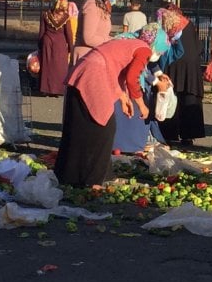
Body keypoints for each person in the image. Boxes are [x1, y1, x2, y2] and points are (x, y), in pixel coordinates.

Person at [54, 37, 170, 187]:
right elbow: (132, 78)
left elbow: (116, 69)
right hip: (94, 74)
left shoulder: (131, 43)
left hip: (86, 69)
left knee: (79, 126)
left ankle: (69, 175)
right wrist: (142, 105)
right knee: (103, 128)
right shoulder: (144, 50)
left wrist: (123, 98)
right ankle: (93, 180)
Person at [112, 23, 172, 153]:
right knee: (132, 113)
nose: (159, 54)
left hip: (123, 84)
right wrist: (156, 82)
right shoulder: (139, 47)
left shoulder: (139, 41)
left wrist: (159, 74)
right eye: (159, 51)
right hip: (120, 85)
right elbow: (137, 73)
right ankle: (129, 144)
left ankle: (131, 143)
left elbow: (151, 63)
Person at [157, 4, 206, 146]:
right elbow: (198, 46)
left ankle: (169, 133)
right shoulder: (187, 23)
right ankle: (188, 135)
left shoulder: (167, 24)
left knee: (172, 96)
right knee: (189, 97)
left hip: (174, 62)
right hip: (191, 65)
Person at [72, 0, 120, 65]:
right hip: (87, 59)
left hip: (95, 57)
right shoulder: (92, 5)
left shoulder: (100, 6)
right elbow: (89, 38)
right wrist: (112, 41)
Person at [37, 0, 73, 96]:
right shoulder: (66, 17)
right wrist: (71, 48)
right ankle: (58, 90)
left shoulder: (46, 15)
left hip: (47, 42)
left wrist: (40, 46)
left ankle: (45, 89)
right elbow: (68, 34)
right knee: (59, 67)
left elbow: (41, 32)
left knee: (47, 66)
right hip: (60, 45)